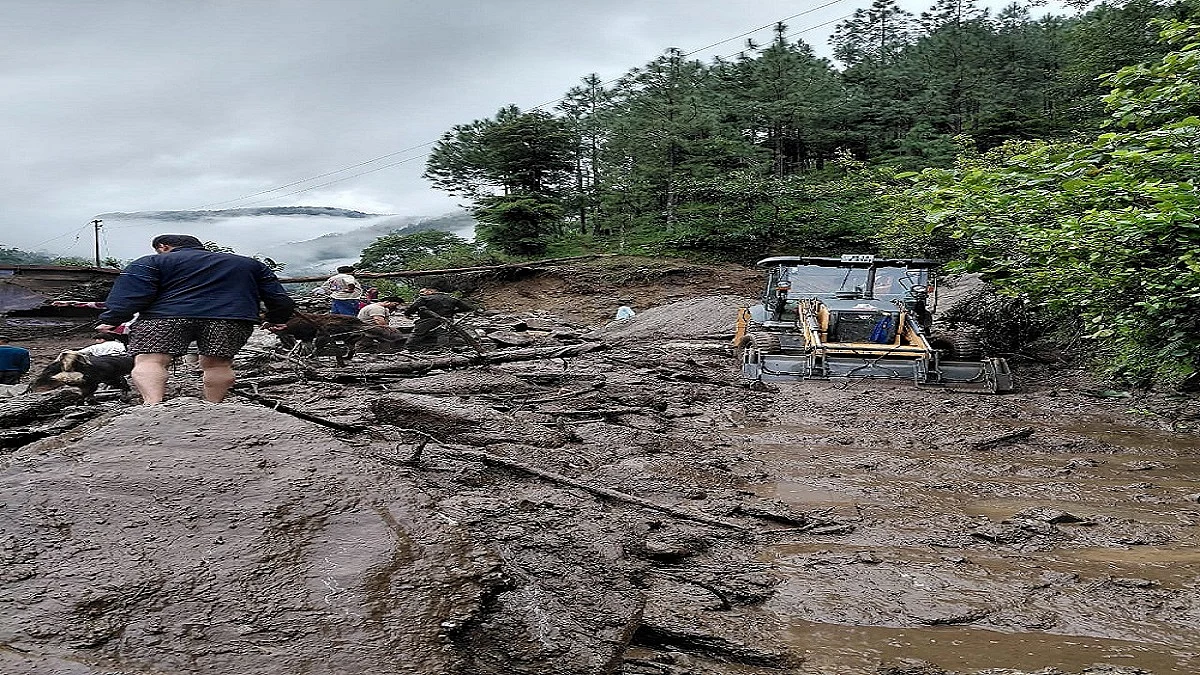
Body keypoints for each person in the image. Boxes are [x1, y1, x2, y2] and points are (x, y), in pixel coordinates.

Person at [96, 234, 296, 405]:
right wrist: (276, 318)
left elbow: (132, 294)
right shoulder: (249, 264)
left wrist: (112, 318)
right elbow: (279, 298)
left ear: (163, 247)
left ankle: (153, 405)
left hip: (164, 317)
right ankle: (213, 406)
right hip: (229, 318)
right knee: (218, 364)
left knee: (151, 360)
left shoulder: (151, 262)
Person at [403, 287, 475, 350]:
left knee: (416, 335)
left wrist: (407, 314)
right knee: (443, 335)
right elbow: (467, 308)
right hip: (447, 320)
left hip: (427, 320)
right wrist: (453, 312)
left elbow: (413, 307)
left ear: (430, 291)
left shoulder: (424, 298)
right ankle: (443, 351)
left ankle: (408, 349)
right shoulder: (452, 299)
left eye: (423, 292)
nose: (422, 294)